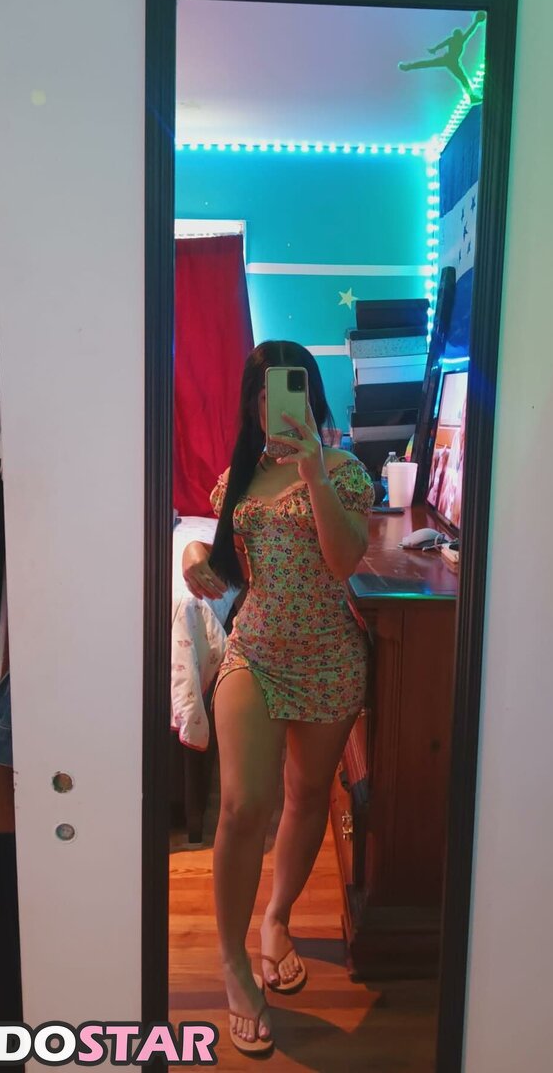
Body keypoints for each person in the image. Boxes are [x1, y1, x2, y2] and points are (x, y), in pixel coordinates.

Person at [182, 341, 374, 1058]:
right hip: (256, 654)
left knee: (306, 795)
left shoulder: (346, 473)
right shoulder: (238, 479)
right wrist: (193, 556)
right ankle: (234, 962)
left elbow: (343, 560)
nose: (275, 406)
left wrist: (314, 471)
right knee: (242, 806)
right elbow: (226, 565)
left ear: (311, 397)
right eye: (264, 394)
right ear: (252, 403)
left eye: (288, 391)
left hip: (329, 659)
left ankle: (277, 919)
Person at [398, 10, 486, 103]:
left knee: (428, 64)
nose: (459, 35)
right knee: (462, 79)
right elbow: (468, 32)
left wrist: (434, 49)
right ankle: (471, 97)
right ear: (457, 35)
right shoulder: (459, 39)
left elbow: (468, 31)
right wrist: (476, 22)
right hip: (450, 61)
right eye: (458, 34)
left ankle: (408, 67)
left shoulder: (456, 39)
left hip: (450, 61)